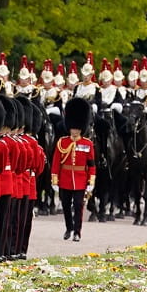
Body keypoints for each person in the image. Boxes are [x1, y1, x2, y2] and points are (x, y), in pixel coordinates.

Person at [53, 96, 94, 241]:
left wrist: (91, 182)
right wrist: (55, 180)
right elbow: (56, 162)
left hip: (81, 179)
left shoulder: (87, 144)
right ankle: (69, 227)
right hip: (65, 179)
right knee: (65, 205)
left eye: (77, 129)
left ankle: (77, 232)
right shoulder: (62, 142)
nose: (74, 131)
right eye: (72, 128)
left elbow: (91, 165)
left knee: (78, 205)